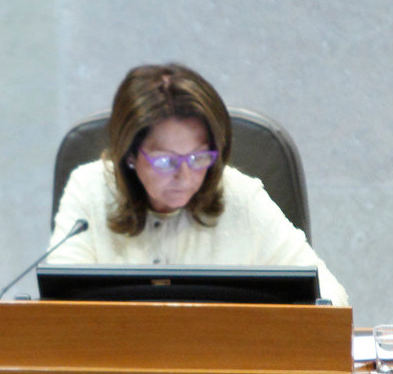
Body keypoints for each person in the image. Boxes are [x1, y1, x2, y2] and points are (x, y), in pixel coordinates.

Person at [48, 62, 349, 306]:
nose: (185, 176)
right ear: (128, 155)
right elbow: (58, 307)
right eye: (165, 161)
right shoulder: (89, 189)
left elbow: (330, 296)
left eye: (199, 158)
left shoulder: (241, 196)